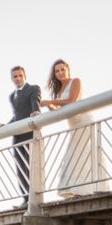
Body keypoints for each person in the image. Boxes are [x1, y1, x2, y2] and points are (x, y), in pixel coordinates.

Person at [41, 59, 108, 197]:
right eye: (57, 71)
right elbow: (57, 109)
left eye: (62, 70)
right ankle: (75, 188)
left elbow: (72, 101)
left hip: (83, 120)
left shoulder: (75, 81)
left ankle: (91, 188)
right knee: (75, 152)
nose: (60, 73)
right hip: (72, 124)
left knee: (86, 151)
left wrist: (50, 101)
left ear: (67, 69)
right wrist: (47, 105)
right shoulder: (58, 90)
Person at [0, 65, 41, 207]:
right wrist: (6, 126)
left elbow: (35, 104)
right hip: (17, 135)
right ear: (12, 79)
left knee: (31, 165)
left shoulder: (33, 89)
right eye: (15, 76)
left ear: (24, 76)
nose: (18, 78)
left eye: (20, 75)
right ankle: (25, 199)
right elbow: (16, 116)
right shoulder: (12, 96)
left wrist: (36, 112)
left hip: (29, 133)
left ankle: (34, 198)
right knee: (20, 167)